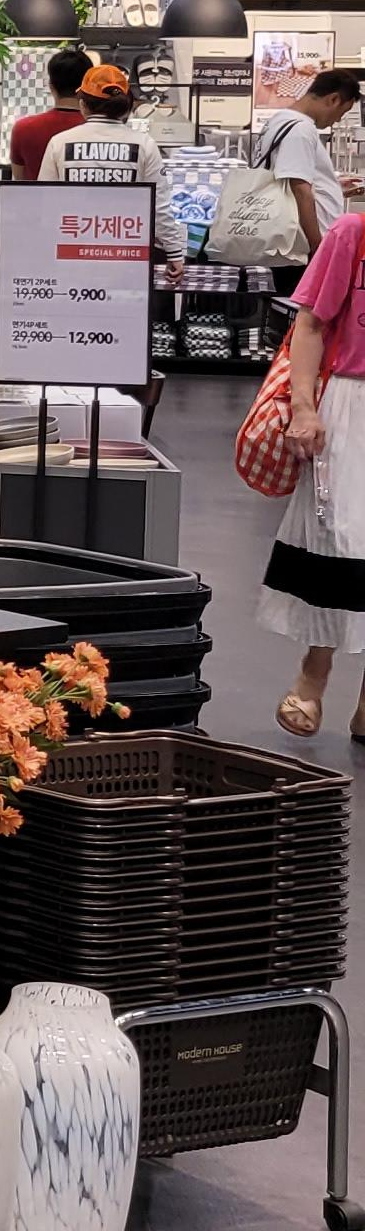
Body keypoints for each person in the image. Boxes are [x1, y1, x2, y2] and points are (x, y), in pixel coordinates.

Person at [266, 206, 365, 733]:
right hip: (351, 401)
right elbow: (310, 323)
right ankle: (315, 671)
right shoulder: (353, 233)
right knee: (339, 539)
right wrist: (303, 407)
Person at [35, 62, 188, 261]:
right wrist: (174, 253)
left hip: (71, 248)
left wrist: (44, 251)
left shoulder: (60, 142)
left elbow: (44, 202)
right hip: (127, 251)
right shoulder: (144, 144)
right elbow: (159, 206)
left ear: (83, 104)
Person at [247, 66, 362, 256]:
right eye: (341, 113)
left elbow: (286, 177)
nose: (336, 120)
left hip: (286, 240)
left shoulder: (280, 121)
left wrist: (332, 185)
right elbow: (299, 189)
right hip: (300, 245)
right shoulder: (300, 130)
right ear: (333, 99)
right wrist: (317, 246)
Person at [7, 43, 92, 180]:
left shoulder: (23, 128)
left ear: (51, 87)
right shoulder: (98, 131)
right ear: (87, 87)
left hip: (38, 194)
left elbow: (20, 180)